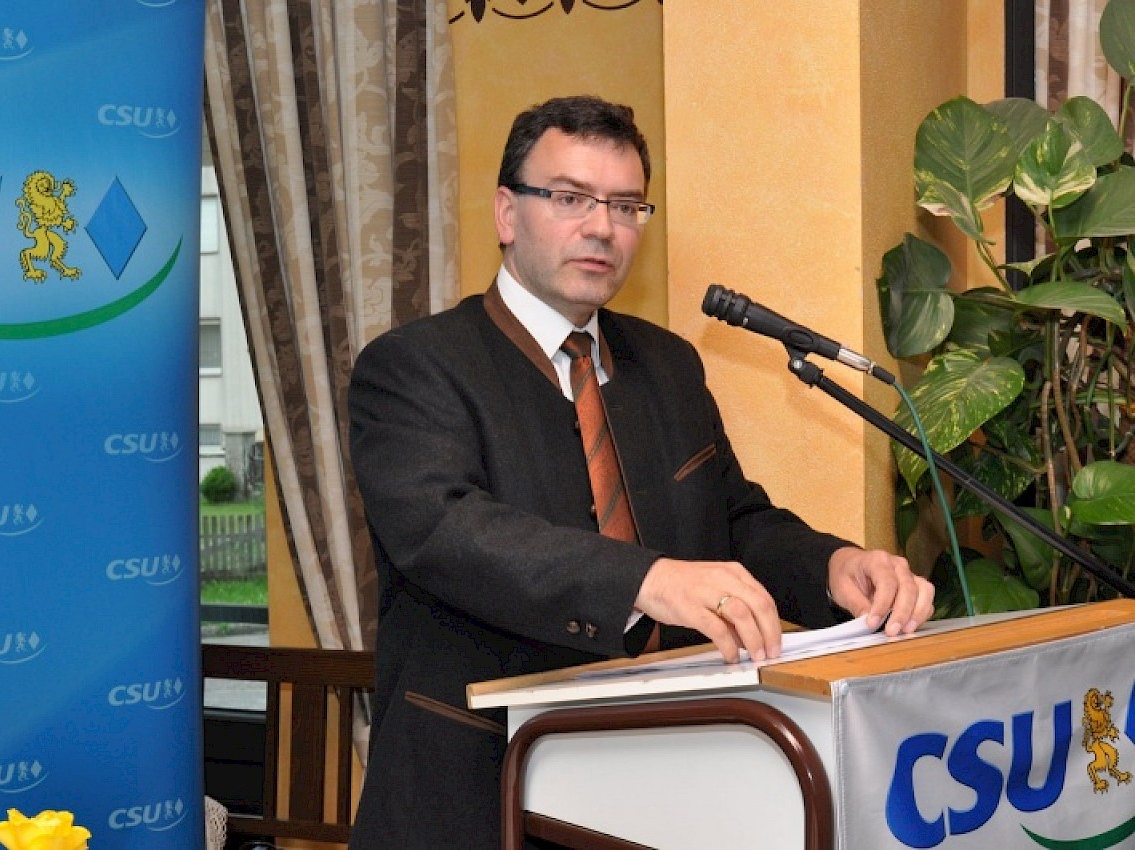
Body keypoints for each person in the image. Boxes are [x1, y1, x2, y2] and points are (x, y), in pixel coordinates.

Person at [346, 94, 934, 849]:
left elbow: (733, 521)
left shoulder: (668, 363)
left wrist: (833, 567)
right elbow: (447, 530)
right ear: (506, 213)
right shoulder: (413, 367)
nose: (602, 227)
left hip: (664, 787)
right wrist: (646, 580)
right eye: (569, 198)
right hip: (475, 790)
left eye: (625, 206)